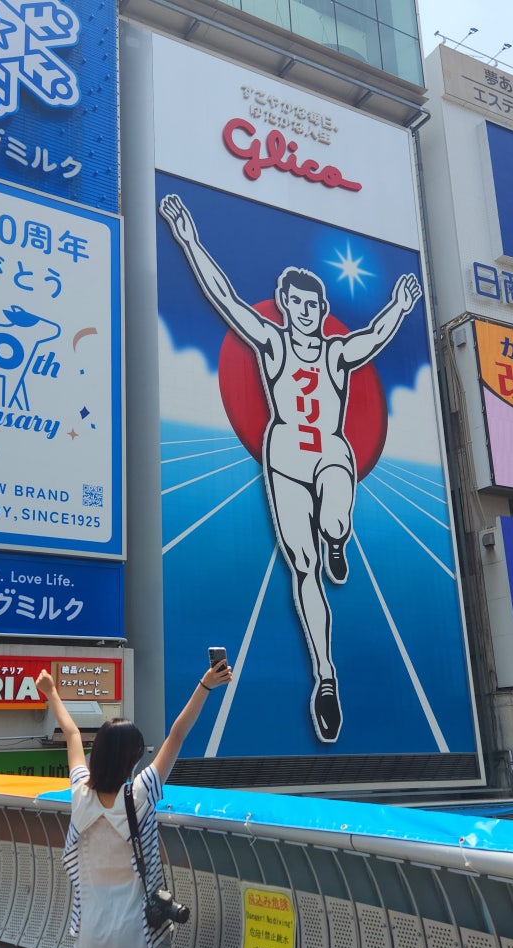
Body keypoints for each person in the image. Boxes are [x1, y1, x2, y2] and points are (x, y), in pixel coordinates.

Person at [159, 193, 422, 743]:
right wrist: (188, 240)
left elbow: (374, 337)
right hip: (284, 459)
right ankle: (325, 678)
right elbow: (226, 298)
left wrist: (399, 306)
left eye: (312, 304)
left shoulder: (335, 353)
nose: (305, 311)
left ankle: (337, 537)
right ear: (284, 305)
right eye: (296, 303)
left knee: (334, 517)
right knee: (303, 569)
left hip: (329, 453)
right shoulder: (273, 345)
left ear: (322, 309)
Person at [35, 660, 232, 948]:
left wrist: (51, 692)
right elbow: (177, 733)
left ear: (98, 755)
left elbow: (72, 734)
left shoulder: (80, 793)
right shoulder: (140, 794)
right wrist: (205, 685)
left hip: (90, 940)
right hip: (136, 943)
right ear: (134, 757)